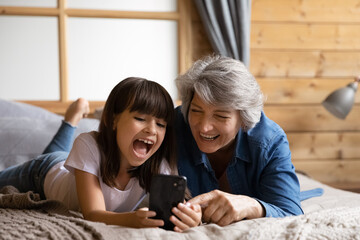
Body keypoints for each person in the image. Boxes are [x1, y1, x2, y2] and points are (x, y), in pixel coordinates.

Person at [0, 77, 201, 231]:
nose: (152, 130)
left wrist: (191, 216)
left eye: (161, 124)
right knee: (53, 155)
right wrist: (131, 219)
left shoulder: (160, 167)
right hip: (42, 172)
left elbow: (177, 211)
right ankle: (71, 122)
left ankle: (72, 119)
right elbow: (93, 213)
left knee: (59, 153)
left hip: (65, 166)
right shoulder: (89, 144)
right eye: (140, 118)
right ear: (112, 120)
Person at [174, 55, 304, 226]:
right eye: (196, 111)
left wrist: (252, 206)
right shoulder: (172, 126)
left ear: (243, 118)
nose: (204, 127)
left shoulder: (270, 140)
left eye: (220, 116)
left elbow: (291, 213)